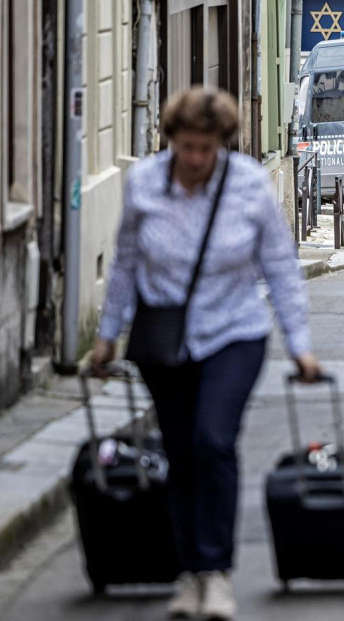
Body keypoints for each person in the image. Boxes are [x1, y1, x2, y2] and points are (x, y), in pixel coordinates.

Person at [88, 87, 321, 620]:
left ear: (222, 144)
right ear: (171, 140)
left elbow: (281, 268)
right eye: (187, 147)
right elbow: (125, 264)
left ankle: (215, 573)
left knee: (213, 442)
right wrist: (108, 334)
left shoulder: (247, 186)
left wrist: (300, 346)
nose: (195, 159)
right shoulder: (146, 183)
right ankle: (188, 572)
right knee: (180, 452)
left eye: (206, 148)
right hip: (163, 339)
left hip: (233, 332)